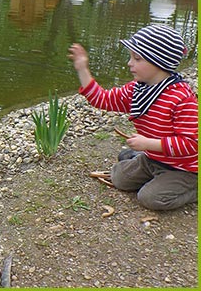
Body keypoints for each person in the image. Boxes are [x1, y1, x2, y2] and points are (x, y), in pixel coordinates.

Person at [68, 24, 198, 210]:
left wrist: (148, 144)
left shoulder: (182, 99)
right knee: (119, 178)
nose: (130, 63)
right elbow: (103, 100)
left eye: (137, 58)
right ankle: (142, 162)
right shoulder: (137, 89)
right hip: (154, 158)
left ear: (158, 62)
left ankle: (194, 188)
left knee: (150, 198)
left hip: (184, 167)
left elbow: (191, 144)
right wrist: (82, 69)